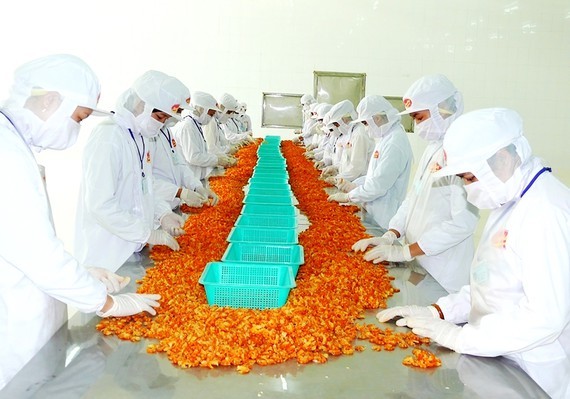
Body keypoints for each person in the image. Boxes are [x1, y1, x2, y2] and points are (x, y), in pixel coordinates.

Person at [376, 108, 570, 398]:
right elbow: (489, 283)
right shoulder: (509, 200)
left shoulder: (546, 211)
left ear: (502, 159)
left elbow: (545, 318)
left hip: (531, 372)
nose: (467, 189)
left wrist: (460, 336)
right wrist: (438, 311)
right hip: (494, 356)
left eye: (469, 178)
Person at [0, 54, 160, 390]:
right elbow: (37, 253)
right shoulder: (7, 154)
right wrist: (107, 303)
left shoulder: (16, 145)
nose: (76, 129)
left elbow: (25, 241)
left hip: (36, 305)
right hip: (15, 329)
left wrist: (82, 274)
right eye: (77, 118)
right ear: (49, 102)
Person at [353, 74, 479, 294]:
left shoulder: (461, 153)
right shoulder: (433, 148)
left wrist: (407, 252)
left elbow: (464, 221)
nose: (417, 125)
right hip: (419, 260)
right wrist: (391, 234)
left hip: (443, 270)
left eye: (419, 118)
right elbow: (415, 196)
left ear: (442, 110)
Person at [75, 70, 187, 273]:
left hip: (132, 248)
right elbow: (100, 205)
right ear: (141, 105)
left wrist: (163, 214)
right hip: (108, 255)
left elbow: (145, 187)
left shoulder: (140, 137)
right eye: (160, 117)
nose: (161, 124)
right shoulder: (109, 137)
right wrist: (147, 234)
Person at [328, 95, 413, 232]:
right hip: (374, 210)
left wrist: (348, 196)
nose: (365, 128)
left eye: (366, 123)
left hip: (384, 216)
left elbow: (378, 185)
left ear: (377, 119)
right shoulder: (386, 138)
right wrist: (355, 185)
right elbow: (374, 175)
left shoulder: (394, 143)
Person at [152, 82, 210, 211]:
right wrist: (179, 192)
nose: (177, 116)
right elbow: (142, 181)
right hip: (158, 209)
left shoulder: (166, 131)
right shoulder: (148, 133)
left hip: (172, 206)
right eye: (177, 111)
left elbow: (180, 164)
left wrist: (196, 186)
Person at [172, 91, 229, 191]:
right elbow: (193, 157)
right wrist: (217, 160)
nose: (211, 117)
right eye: (210, 114)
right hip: (189, 182)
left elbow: (202, 151)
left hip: (197, 178)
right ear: (200, 110)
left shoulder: (195, 125)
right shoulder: (187, 127)